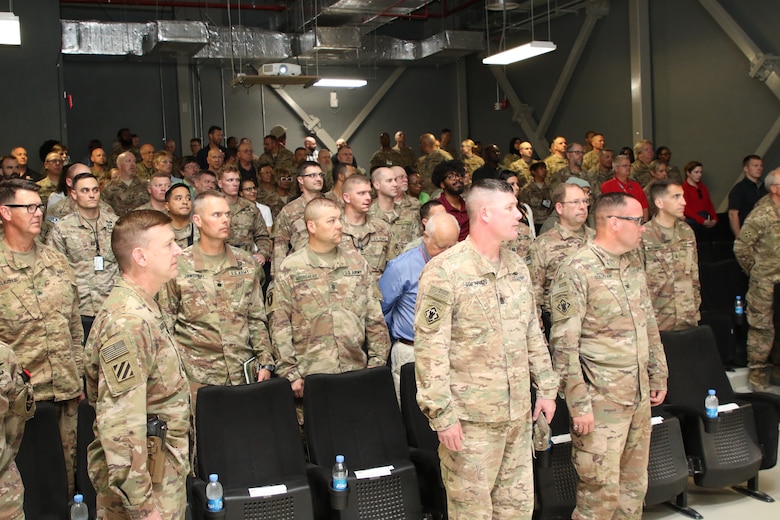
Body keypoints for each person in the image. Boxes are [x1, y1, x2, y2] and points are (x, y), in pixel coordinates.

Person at [415, 179, 558, 519]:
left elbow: (532, 334)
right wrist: (442, 415)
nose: (519, 216)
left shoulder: (517, 267)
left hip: (517, 416)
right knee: (472, 512)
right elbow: (430, 351)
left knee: (517, 510)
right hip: (471, 422)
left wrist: (547, 387)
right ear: (484, 214)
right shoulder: (444, 272)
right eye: (510, 208)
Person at [549, 192, 668, 519]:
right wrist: (578, 404)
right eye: (638, 221)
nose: (643, 228)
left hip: (638, 395)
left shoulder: (632, 261)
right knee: (600, 494)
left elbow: (648, 322)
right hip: (601, 402)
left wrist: (658, 373)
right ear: (614, 223)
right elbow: (563, 346)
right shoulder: (575, 269)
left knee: (633, 490)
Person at [85, 210, 189, 520]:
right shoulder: (128, 322)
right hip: (145, 493)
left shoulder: (145, 307)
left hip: (161, 474)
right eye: (169, 244)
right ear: (141, 256)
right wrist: (145, 510)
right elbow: (120, 426)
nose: (178, 251)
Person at [268, 198, 390, 422]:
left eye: (339, 220)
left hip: (356, 372)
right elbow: (280, 324)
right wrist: (290, 373)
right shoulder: (292, 267)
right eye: (331, 221)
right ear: (312, 226)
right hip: (311, 377)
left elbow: (374, 317)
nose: (339, 226)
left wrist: (376, 366)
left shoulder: (357, 263)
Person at [0, 179, 83, 496]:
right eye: (30, 207)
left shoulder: (57, 261)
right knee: (24, 487)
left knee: (65, 483)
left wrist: (79, 376)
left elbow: (73, 325)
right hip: (17, 404)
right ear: (5, 212)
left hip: (63, 394)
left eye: (40, 207)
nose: (38, 213)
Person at [159, 191, 274, 407]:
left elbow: (256, 318)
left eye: (227, 214)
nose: (225, 220)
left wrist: (266, 362)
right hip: (197, 378)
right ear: (198, 220)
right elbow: (166, 324)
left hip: (242, 374)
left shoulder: (246, 263)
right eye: (217, 214)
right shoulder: (178, 266)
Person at [379, 213, 459, 401]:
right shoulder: (401, 267)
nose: (447, 252)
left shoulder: (459, 263)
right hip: (411, 351)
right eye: (440, 247)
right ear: (426, 237)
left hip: (452, 351)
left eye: (452, 246)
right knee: (412, 414)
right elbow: (382, 311)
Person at [48, 173, 119, 339]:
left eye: (95, 190)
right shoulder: (62, 228)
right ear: (74, 194)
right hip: (80, 308)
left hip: (112, 305)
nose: (91, 194)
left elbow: (127, 264)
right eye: (85, 190)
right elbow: (55, 270)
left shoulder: (116, 224)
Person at [734, 168, 780, 391]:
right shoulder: (762, 214)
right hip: (765, 283)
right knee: (763, 327)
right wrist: (756, 271)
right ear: (775, 189)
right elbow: (742, 246)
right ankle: (758, 374)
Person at [529, 183, 594, 328]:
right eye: (575, 202)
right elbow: (534, 293)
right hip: (561, 326)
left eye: (585, 201)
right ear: (559, 208)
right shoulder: (543, 244)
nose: (583, 206)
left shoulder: (597, 239)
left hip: (597, 329)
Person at [641, 180, 701, 331]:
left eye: (683, 196)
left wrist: (695, 306)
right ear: (660, 203)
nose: (684, 202)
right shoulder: (643, 236)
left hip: (687, 316)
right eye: (676, 197)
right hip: (657, 321)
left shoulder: (686, 232)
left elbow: (694, 275)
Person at [272, 161, 324, 278]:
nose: (318, 178)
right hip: (302, 272)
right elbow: (280, 246)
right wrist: (278, 277)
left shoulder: (332, 205)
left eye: (320, 175)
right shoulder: (289, 210)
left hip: (331, 268)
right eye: (312, 175)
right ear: (300, 180)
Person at [340, 175, 392, 280]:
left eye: (369, 193)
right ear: (347, 197)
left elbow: (394, 266)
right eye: (361, 193)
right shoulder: (333, 228)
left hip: (376, 294)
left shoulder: (382, 228)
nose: (368, 197)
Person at [370, 166, 422, 259]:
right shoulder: (368, 214)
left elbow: (417, 247)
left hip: (404, 267)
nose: (395, 184)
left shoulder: (409, 214)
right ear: (376, 185)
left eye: (395, 180)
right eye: (389, 181)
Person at [600, 154, 649, 222]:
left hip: (637, 222)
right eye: (625, 166)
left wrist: (644, 223)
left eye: (629, 166)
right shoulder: (607, 186)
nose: (628, 168)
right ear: (616, 168)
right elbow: (605, 210)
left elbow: (644, 206)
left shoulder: (636, 185)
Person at [728, 154, 766, 237]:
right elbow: (733, 214)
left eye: (761, 166)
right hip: (748, 233)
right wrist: (739, 237)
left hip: (765, 231)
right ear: (746, 168)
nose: (759, 168)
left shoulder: (765, 187)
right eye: (755, 166)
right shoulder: (739, 189)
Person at [102, 151, 150, 216]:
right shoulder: (109, 187)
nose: (132, 164)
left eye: (134, 161)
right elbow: (104, 210)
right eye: (128, 161)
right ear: (119, 165)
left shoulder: (145, 185)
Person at [431, 160, 469, 241]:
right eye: (451, 177)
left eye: (460, 175)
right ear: (442, 184)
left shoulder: (468, 205)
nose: (458, 179)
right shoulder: (437, 208)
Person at [681, 161, 718, 238]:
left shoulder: (703, 187)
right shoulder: (683, 189)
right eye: (696, 172)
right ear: (688, 173)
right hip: (694, 222)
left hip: (706, 219)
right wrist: (702, 221)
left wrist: (714, 219)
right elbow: (686, 209)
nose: (699, 175)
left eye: (701, 172)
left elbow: (709, 204)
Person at [519, 161, 552, 234]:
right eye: (541, 168)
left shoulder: (549, 188)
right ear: (534, 172)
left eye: (544, 168)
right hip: (535, 223)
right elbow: (523, 207)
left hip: (548, 221)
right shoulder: (527, 190)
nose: (544, 170)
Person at [166, 183, 198, 249]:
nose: (185, 202)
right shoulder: (159, 231)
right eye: (178, 199)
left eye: (188, 198)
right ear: (167, 206)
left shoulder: (201, 230)